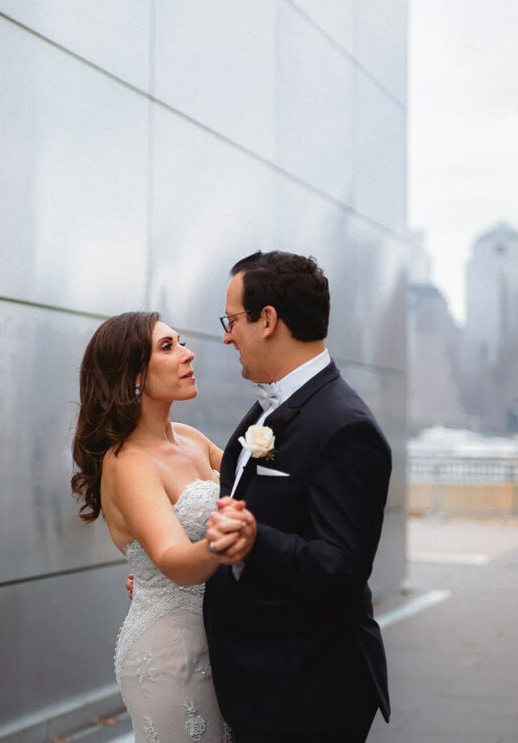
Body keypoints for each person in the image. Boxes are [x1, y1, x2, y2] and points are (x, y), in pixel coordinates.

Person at [202, 251, 392, 742]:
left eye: (232, 320)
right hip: (259, 682)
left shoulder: (346, 426)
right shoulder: (267, 410)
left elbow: (342, 566)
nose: (226, 335)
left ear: (268, 320)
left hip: (308, 690)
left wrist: (254, 542)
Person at [72, 311, 244, 742]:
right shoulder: (128, 463)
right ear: (132, 375)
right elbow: (172, 560)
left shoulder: (190, 436)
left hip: (222, 642)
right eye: (168, 348)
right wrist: (229, 539)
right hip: (172, 656)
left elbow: (259, 490)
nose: (188, 355)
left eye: (180, 342)